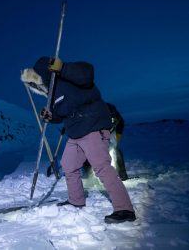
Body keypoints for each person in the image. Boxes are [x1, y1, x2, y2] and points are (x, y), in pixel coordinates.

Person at [21, 56, 136, 224]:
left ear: (44, 75)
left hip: (92, 125)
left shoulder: (70, 76)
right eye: (34, 86)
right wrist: (50, 116)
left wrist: (62, 67)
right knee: (69, 165)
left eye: (37, 82)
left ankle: (124, 209)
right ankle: (76, 201)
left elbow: (87, 74)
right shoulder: (53, 95)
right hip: (75, 132)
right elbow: (60, 115)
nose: (38, 86)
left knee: (101, 166)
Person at [82, 103, 129, 181]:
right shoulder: (90, 117)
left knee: (114, 149)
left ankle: (122, 175)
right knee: (89, 150)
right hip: (94, 131)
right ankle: (89, 174)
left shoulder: (116, 117)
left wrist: (117, 136)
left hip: (112, 131)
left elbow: (120, 125)